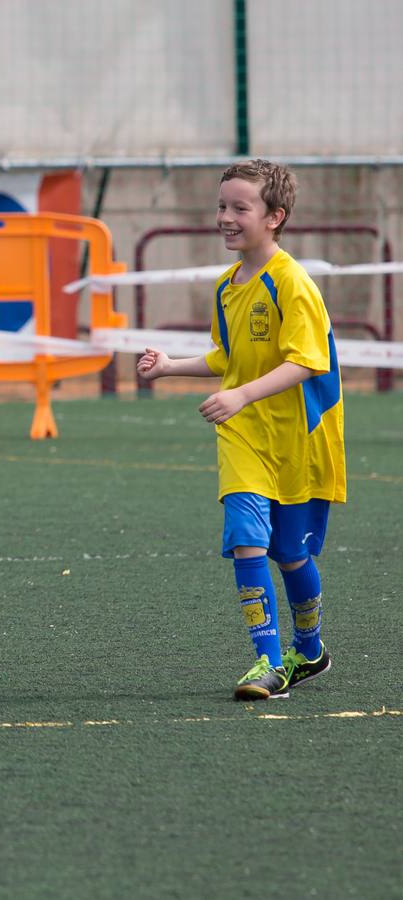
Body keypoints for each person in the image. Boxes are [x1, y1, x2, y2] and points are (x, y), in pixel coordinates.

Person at [137, 159, 344, 701]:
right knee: (248, 543)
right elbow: (228, 357)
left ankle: (311, 648)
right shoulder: (229, 286)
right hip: (243, 436)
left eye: (239, 208)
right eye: (221, 206)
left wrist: (242, 392)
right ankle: (268, 663)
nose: (225, 217)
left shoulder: (292, 282)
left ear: (274, 217)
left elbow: (307, 361)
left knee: (291, 554)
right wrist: (170, 366)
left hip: (298, 439)